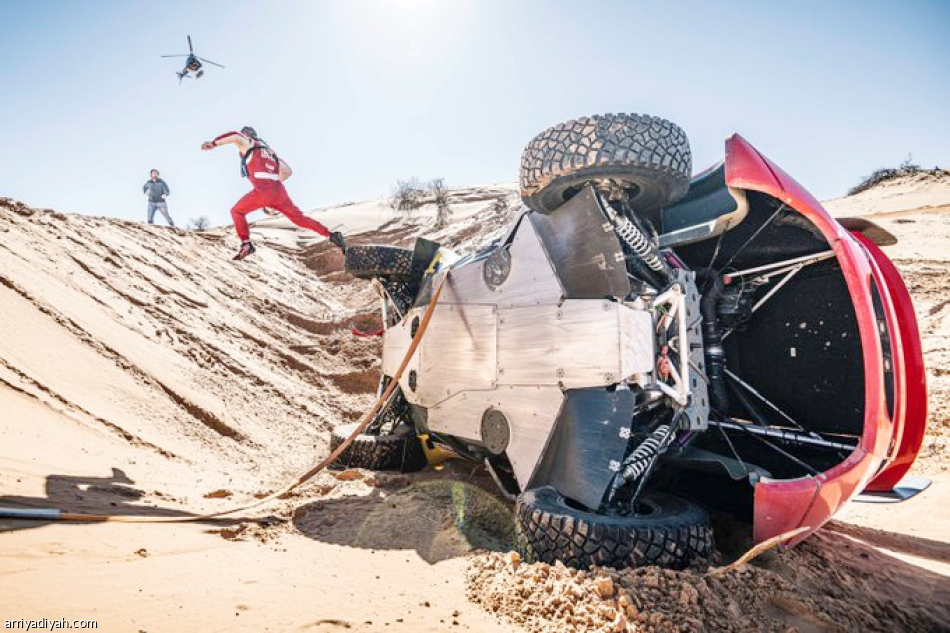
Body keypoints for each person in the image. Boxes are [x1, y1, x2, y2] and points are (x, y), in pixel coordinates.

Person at [201, 126, 346, 260]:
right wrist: (273, 181)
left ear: (248, 136)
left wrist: (214, 144)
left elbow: (235, 136)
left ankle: (246, 243)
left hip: (263, 190)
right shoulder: (271, 153)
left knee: (236, 212)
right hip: (279, 191)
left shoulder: (249, 143)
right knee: (299, 218)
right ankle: (332, 236)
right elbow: (288, 172)